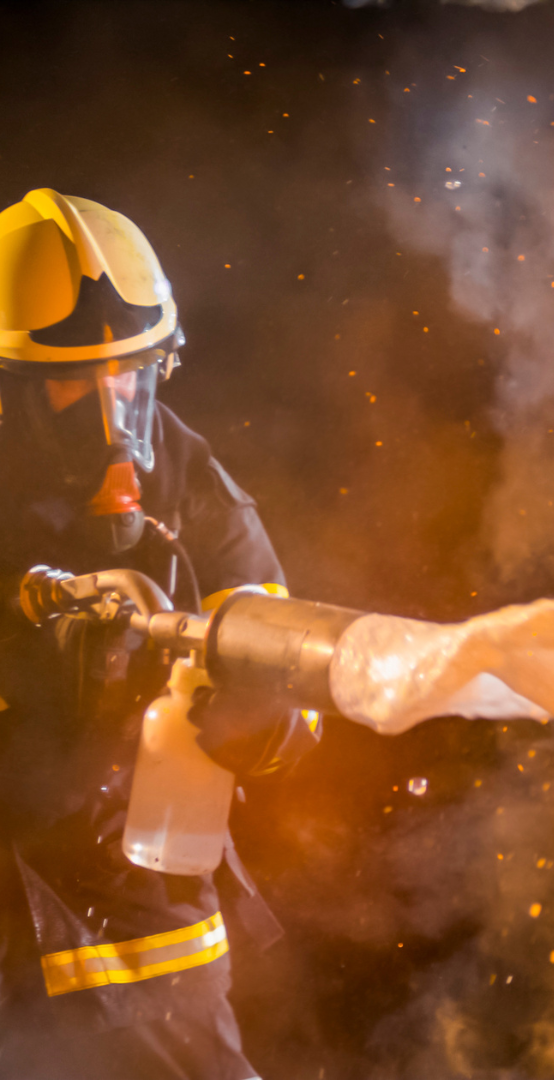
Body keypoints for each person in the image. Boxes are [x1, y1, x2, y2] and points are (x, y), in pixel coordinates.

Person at [0, 189, 317, 1079]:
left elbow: (289, 653)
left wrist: (268, 727)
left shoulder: (189, 479)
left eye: (129, 376)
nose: (115, 422)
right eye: (72, 382)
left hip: (147, 920)